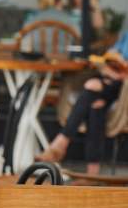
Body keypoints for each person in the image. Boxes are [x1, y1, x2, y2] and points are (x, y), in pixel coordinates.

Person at [36, 31, 128, 176]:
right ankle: (92, 174)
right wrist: (110, 63)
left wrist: (120, 73)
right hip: (110, 81)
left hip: (123, 89)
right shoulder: (126, 34)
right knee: (96, 105)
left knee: (92, 86)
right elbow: (112, 53)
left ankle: (61, 143)